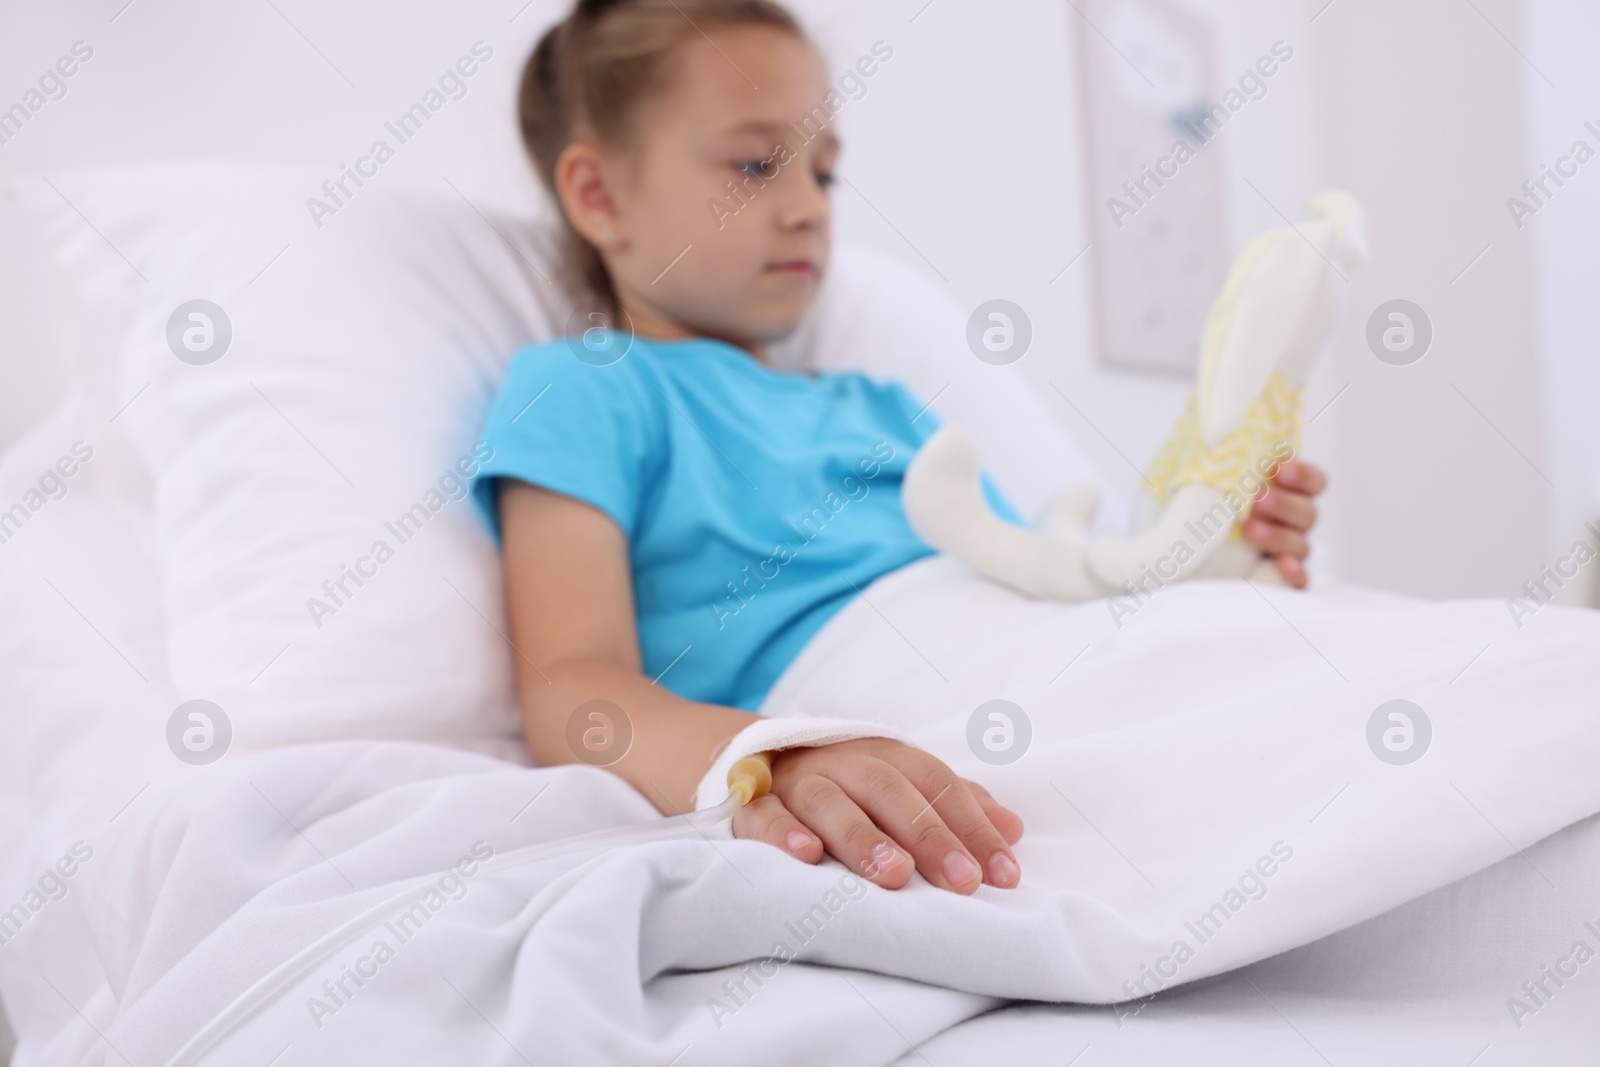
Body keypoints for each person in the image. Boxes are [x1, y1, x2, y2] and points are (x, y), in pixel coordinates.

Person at [472, 0, 1326, 895]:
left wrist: (1213, 551)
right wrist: (768, 757)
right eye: (758, 164)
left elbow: (1038, 580)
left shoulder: (881, 403)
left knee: (1283, 677)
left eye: (825, 174)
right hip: (869, 689)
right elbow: (574, 687)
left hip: (1028, 645)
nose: (807, 208)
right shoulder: (588, 385)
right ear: (599, 195)